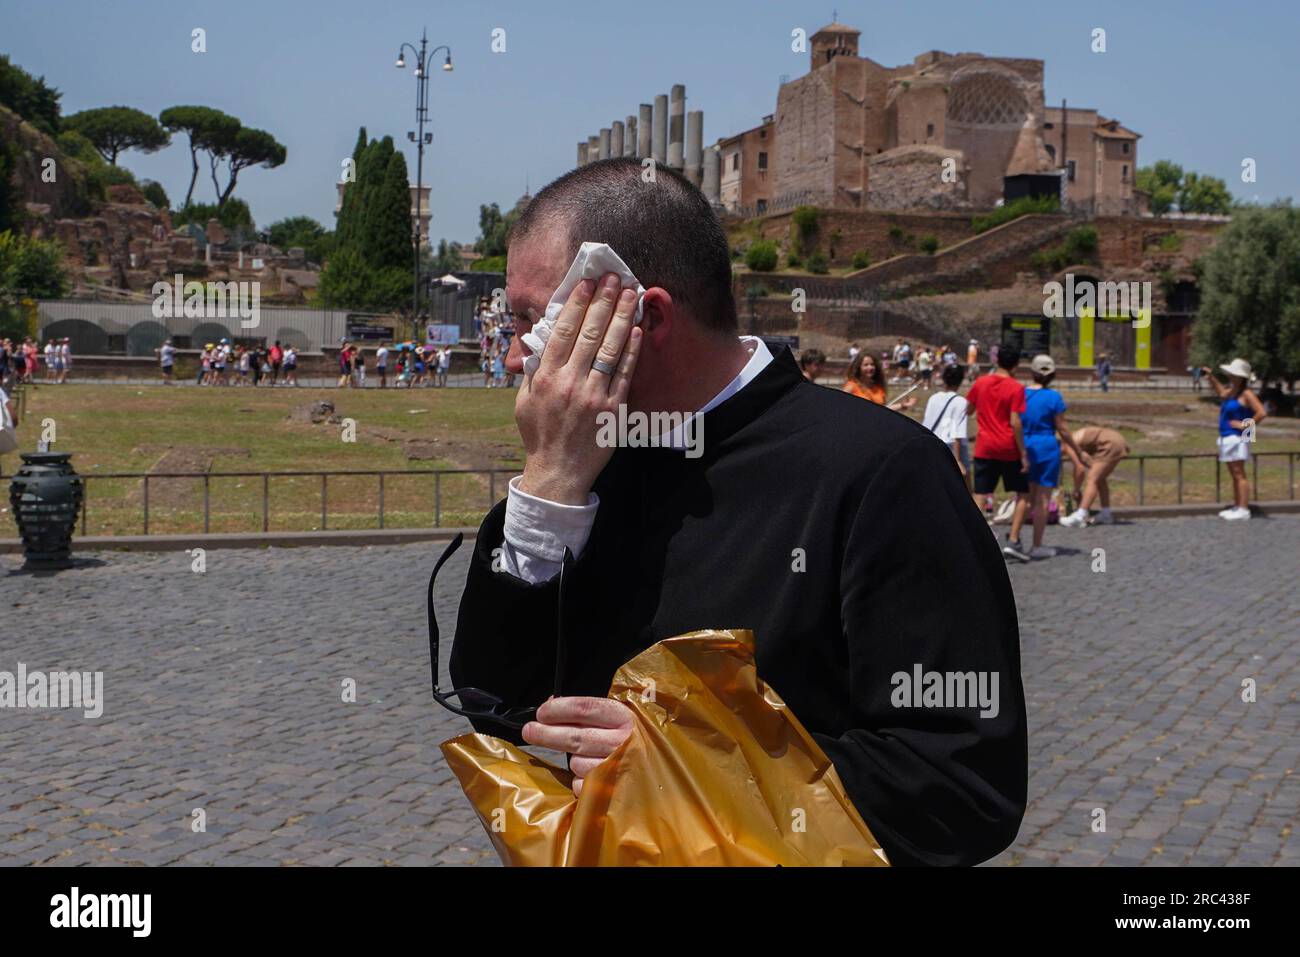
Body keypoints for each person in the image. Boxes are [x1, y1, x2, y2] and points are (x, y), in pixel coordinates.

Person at [446, 158, 1026, 866]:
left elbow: (963, 783)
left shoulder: (883, 472)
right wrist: (547, 488)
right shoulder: (584, 460)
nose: (511, 357)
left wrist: (683, 765)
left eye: (530, 321)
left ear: (644, 317)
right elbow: (492, 708)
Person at [966, 345, 1031, 562]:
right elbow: (1015, 421)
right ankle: (1013, 540)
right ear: (1016, 365)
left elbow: (969, 410)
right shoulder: (1016, 387)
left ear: (997, 361)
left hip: (985, 446)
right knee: (1022, 493)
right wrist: (1023, 453)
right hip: (1008, 448)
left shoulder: (981, 382)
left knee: (981, 494)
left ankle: (973, 541)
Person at [1019, 355, 1087, 559]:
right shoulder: (1054, 398)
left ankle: (1013, 538)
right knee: (1042, 499)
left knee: (1024, 497)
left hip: (1024, 444)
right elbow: (1063, 430)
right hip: (1047, 447)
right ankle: (1037, 544)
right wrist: (1078, 450)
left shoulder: (1021, 394)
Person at [1202, 358, 1266, 520]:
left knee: (1239, 474)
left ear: (1240, 377)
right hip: (1227, 436)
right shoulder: (1232, 391)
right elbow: (1221, 393)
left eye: (1233, 374)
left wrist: (1246, 425)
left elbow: (1261, 412)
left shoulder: (1246, 394)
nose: (1230, 376)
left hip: (1237, 437)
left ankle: (1243, 509)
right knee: (1234, 474)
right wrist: (1211, 378)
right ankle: (1238, 506)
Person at [1059, 426, 1129, 527]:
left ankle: (1080, 516)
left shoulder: (1067, 445)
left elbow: (1079, 468)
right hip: (1118, 440)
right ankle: (1106, 514)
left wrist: (1076, 490)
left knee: (1092, 479)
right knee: (1100, 479)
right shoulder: (1075, 438)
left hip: (1108, 443)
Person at [922, 363, 970, 478]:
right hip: (951, 448)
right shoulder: (961, 402)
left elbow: (927, 423)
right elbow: (957, 432)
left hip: (932, 444)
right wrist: (958, 460)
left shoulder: (933, 398)